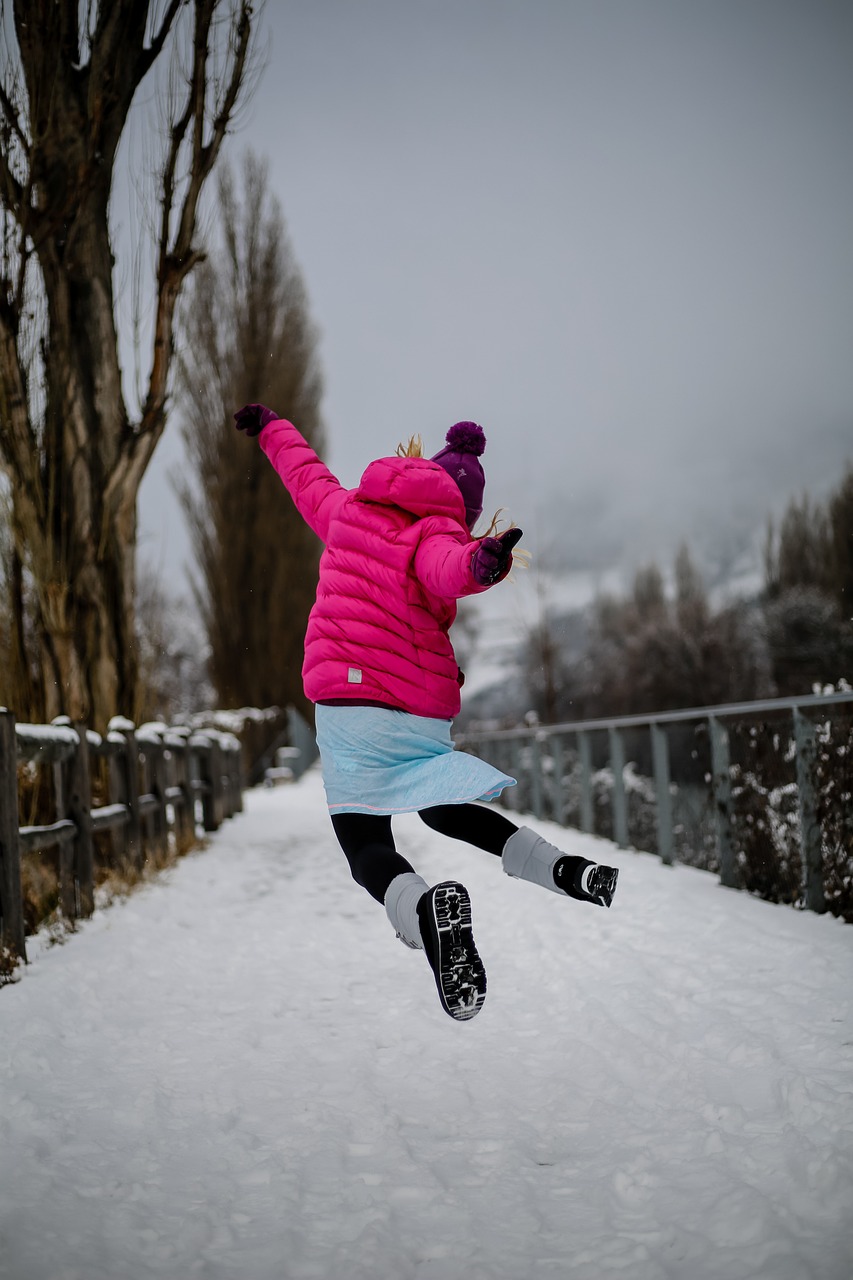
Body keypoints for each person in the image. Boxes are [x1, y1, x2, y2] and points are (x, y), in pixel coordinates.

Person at [234, 405, 619, 1022]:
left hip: (348, 707)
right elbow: (450, 569)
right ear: (459, 512)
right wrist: (483, 562)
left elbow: (306, 476)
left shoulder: (349, 509)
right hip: (416, 712)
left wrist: (271, 427)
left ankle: (426, 917)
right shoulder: (436, 534)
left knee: (364, 843)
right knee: (445, 808)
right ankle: (563, 869)